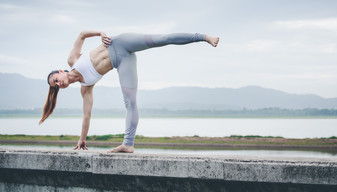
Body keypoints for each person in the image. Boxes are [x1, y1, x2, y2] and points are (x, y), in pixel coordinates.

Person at [40, 31, 219, 153]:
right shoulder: (85, 88)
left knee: (160, 39)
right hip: (122, 62)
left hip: (119, 42)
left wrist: (101, 33)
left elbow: (82, 35)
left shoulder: (73, 59)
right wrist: (82, 139)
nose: (58, 84)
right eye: (55, 86)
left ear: (60, 72)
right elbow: (86, 116)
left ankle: (203, 37)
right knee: (130, 102)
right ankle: (128, 144)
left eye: (55, 80)